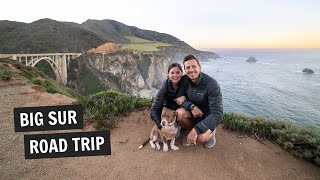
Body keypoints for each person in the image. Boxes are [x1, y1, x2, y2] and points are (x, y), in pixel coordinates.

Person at [175, 54, 223, 148]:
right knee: (179, 113)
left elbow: (218, 113)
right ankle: (191, 132)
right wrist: (191, 107)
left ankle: (210, 133)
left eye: (194, 66)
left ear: (200, 67)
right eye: (188, 67)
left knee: (200, 138)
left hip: (208, 117)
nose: (191, 70)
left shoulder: (211, 84)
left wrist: (197, 129)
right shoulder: (184, 80)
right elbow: (179, 97)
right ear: (185, 70)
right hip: (193, 113)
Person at [150, 63, 186, 131]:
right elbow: (154, 109)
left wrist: (186, 98)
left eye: (178, 72)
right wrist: (161, 127)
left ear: (182, 73)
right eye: (172, 73)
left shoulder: (185, 83)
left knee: (182, 114)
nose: (175, 75)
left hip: (179, 109)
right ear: (168, 74)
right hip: (167, 110)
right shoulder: (164, 87)